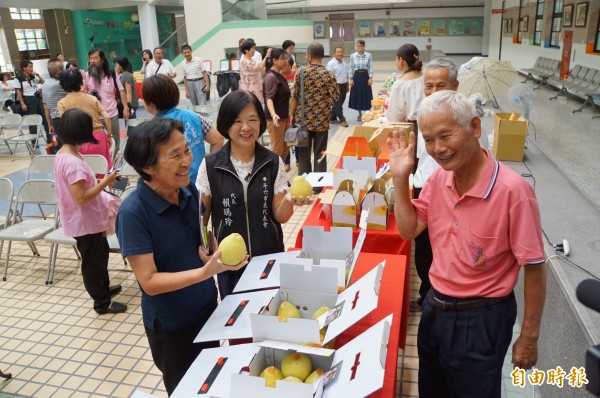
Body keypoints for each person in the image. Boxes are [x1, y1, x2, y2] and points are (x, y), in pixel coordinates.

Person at [388, 90, 546, 397]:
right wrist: (399, 179)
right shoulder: (438, 180)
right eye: (429, 139)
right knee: (432, 390)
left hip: (481, 318)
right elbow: (409, 231)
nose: (437, 149)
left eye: (445, 135)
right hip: (435, 308)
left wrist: (529, 336)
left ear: (474, 127)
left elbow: (536, 268)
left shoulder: (514, 192)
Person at [116, 118, 246, 395]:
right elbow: (148, 280)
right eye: (175, 155)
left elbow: (198, 235)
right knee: (186, 390)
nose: (187, 160)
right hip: (173, 327)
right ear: (147, 167)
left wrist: (211, 250)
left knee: (211, 382)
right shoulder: (133, 213)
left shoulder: (187, 190)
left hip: (206, 310)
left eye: (186, 150)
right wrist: (204, 273)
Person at [196, 90, 309, 299]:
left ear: (260, 123)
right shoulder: (210, 165)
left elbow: (281, 216)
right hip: (230, 264)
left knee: (271, 316)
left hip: (269, 260)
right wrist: (206, 249)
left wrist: (289, 200)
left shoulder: (273, 162)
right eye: (237, 121)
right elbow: (201, 219)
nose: (246, 127)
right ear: (225, 123)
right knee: (236, 322)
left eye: (252, 120)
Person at [54, 109, 127, 315]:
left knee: (99, 255)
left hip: (84, 219)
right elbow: (81, 197)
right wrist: (105, 181)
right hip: (84, 221)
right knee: (93, 263)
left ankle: (103, 289)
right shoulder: (73, 163)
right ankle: (102, 303)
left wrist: (101, 179)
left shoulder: (64, 152)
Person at [411, 57, 459, 311]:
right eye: (428, 86)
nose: (433, 92)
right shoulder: (424, 114)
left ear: (455, 85)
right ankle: (425, 292)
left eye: (441, 85)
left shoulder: (464, 119)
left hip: (450, 190)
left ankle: (440, 293)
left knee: (444, 241)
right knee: (423, 243)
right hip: (423, 185)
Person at [142, 74, 223, 182]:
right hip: (201, 183)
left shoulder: (152, 130)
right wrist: (209, 168)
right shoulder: (193, 116)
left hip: (175, 188)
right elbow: (218, 139)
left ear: (150, 103)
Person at [290, 42, 338, 181]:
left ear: (309, 56)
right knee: (320, 154)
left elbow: (294, 96)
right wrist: (323, 106)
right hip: (322, 122)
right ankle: (318, 186)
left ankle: (304, 185)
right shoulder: (329, 74)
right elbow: (335, 98)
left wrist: (291, 115)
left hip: (303, 121)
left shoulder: (301, 72)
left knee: (304, 154)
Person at [58, 69, 113, 169]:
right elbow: (107, 116)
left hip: (78, 141)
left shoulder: (62, 103)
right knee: (103, 168)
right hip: (98, 137)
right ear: (80, 81)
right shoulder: (92, 98)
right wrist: (109, 135)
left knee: (84, 170)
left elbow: (66, 127)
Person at [84, 48, 129, 152]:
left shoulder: (112, 75)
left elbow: (121, 91)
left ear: (102, 60)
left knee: (115, 142)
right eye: (90, 58)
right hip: (95, 117)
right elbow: (83, 94)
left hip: (112, 114)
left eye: (95, 58)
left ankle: (115, 164)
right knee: (97, 143)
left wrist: (126, 107)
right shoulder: (86, 76)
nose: (92, 61)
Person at [264, 48, 291, 172]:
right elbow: (269, 97)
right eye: (283, 58)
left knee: (285, 148)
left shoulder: (279, 75)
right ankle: (272, 178)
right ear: (274, 60)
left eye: (286, 58)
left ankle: (279, 177)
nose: (286, 61)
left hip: (284, 118)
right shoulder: (271, 76)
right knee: (277, 150)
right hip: (275, 119)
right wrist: (273, 114)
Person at [14, 60, 50, 142]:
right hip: (28, 99)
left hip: (38, 98)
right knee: (33, 120)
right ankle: (34, 141)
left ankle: (49, 139)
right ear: (24, 68)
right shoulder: (18, 78)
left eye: (32, 66)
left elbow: (43, 82)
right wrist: (22, 104)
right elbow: (18, 92)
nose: (31, 68)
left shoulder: (32, 76)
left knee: (45, 118)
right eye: (30, 67)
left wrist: (37, 75)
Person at [239, 39, 270, 105]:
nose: (254, 50)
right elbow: (259, 67)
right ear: (246, 50)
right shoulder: (244, 61)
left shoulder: (251, 60)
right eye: (253, 48)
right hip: (250, 88)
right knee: (253, 105)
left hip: (256, 86)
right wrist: (266, 56)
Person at [348, 39, 373, 121]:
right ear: (356, 46)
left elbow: (370, 67)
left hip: (365, 76)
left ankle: (368, 112)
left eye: (361, 46)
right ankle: (359, 113)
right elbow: (351, 67)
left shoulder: (368, 55)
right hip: (357, 76)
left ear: (364, 46)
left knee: (367, 94)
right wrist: (351, 79)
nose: (360, 48)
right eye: (358, 46)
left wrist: (370, 78)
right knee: (358, 94)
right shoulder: (353, 56)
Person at [42, 58, 66, 139]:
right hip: (65, 118)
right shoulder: (60, 84)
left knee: (62, 145)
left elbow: (46, 107)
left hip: (55, 119)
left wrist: (50, 125)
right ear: (58, 70)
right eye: (63, 67)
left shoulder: (45, 84)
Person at [326, 46, 349, 127]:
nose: (340, 53)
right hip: (335, 86)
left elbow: (346, 73)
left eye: (341, 52)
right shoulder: (331, 64)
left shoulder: (344, 62)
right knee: (338, 104)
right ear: (334, 53)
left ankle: (332, 118)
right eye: (338, 52)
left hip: (344, 85)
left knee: (339, 104)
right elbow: (328, 77)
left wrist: (347, 84)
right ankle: (342, 120)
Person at [114, 55, 139, 119]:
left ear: (122, 64)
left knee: (130, 123)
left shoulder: (126, 75)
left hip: (130, 104)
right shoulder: (122, 75)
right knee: (129, 123)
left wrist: (128, 107)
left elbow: (129, 92)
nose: (115, 65)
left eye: (117, 63)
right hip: (127, 104)